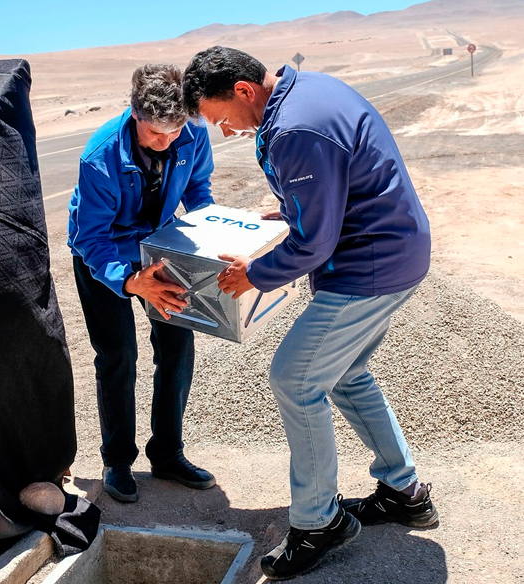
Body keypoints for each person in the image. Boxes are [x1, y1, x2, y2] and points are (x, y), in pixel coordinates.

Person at [182, 46, 438, 579]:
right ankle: (404, 491)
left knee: (295, 380)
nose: (224, 131)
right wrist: (292, 210)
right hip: (395, 252)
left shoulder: (294, 128)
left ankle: (319, 522)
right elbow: (339, 182)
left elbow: (314, 244)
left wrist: (254, 273)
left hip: (368, 267)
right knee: (346, 373)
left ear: (244, 91)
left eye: (219, 117)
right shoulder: (308, 91)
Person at [68, 64, 216, 503]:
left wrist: (213, 234)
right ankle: (117, 461)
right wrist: (132, 282)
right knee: (119, 356)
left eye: (175, 132)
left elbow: (199, 187)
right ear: (135, 114)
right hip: (104, 256)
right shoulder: (100, 157)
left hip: (160, 246)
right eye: (155, 133)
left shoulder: (193, 130)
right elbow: (91, 238)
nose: (167, 141)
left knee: (177, 348)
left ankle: (167, 454)